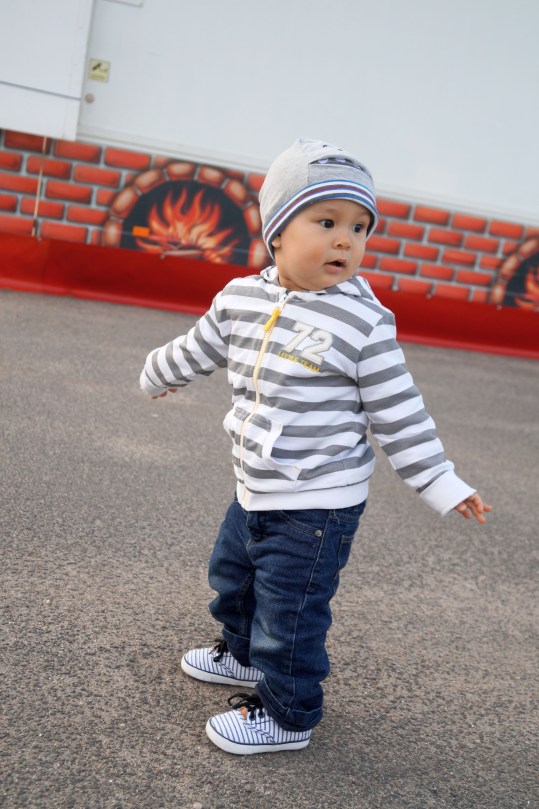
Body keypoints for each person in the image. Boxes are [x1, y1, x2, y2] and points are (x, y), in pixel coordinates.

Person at [139, 138, 491, 755]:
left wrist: (440, 481)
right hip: (255, 484)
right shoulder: (240, 298)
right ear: (277, 232)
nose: (345, 241)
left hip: (319, 502)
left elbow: (400, 411)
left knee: (291, 612)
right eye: (326, 222)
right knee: (234, 577)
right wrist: (157, 374)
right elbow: (199, 347)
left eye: (359, 228)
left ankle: (288, 715)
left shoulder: (362, 323)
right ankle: (241, 655)